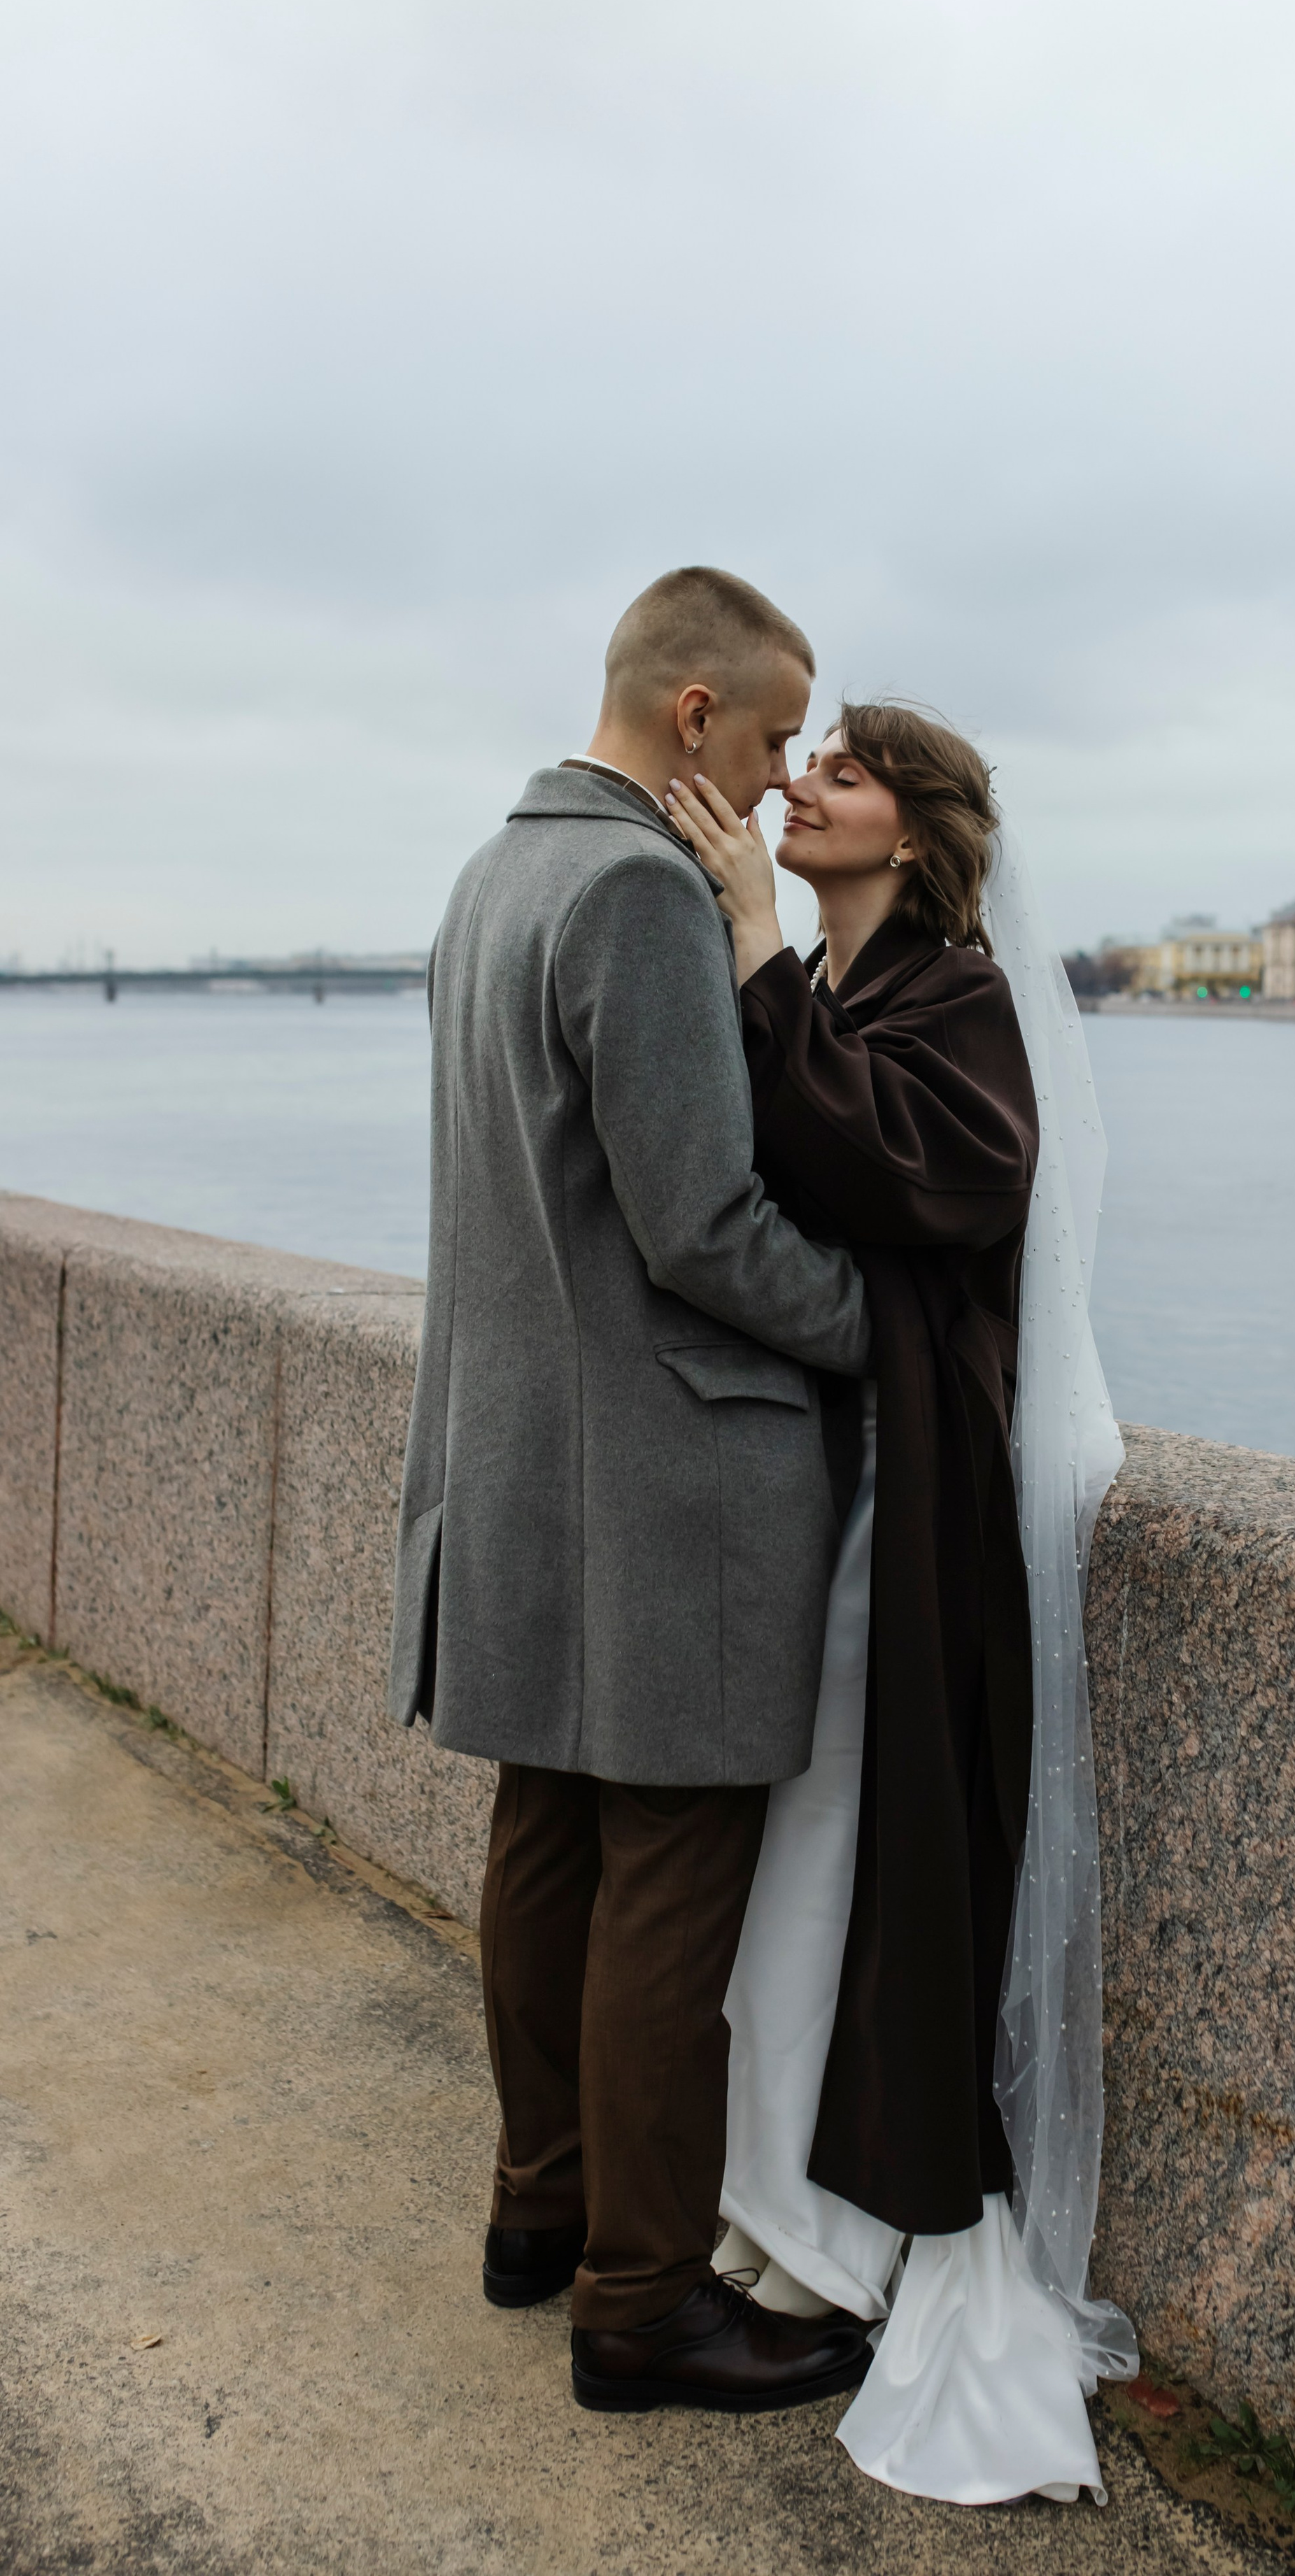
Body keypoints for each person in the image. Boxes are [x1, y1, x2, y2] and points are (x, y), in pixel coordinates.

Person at [388, 566, 880, 2416]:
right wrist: (881, 1328)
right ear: (693, 714)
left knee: (549, 1844)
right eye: (764, 744)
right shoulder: (639, 891)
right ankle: (644, 2300)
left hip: (525, 1459)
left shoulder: (493, 872)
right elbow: (703, 1226)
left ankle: (540, 2212)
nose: (772, 788)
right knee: (669, 1887)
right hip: (670, 1489)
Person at [667, 702, 1138, 2505]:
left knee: (840, 1836)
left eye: (840, 775)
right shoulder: (850, 989)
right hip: (828, 1481)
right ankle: (771, 2200)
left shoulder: (951, 993)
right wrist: (763, 967)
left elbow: (919, 1177)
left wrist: (759, 956)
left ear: (918, 836)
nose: (798, 787)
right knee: (798, 1840)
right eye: (809, 763)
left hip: (911, 1498)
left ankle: (831, 2231)